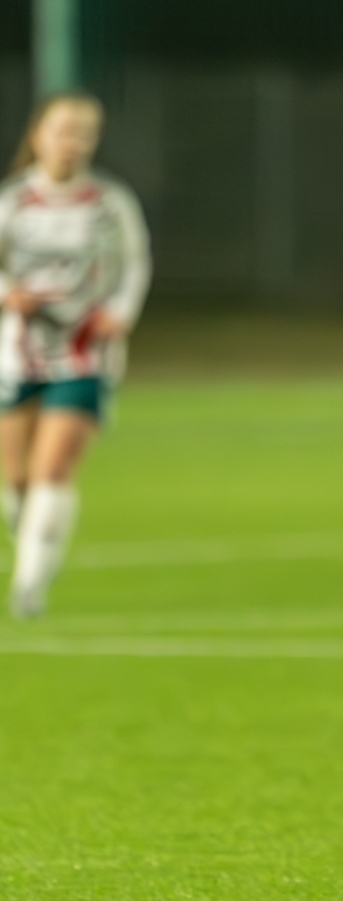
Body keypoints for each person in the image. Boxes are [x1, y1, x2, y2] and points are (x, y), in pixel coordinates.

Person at [0, 92, 150, 618]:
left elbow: (134, 263)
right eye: (64, 130)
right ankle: (37, 533)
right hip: (19, 351)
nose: (73, 142)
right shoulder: (13, 202)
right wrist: (8, 295)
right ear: (39, 135)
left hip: (85, 349)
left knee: (55, 464)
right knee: (14, 478)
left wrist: (120, 312)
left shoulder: (110, 203)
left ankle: (29, 584)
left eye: (84, 133)